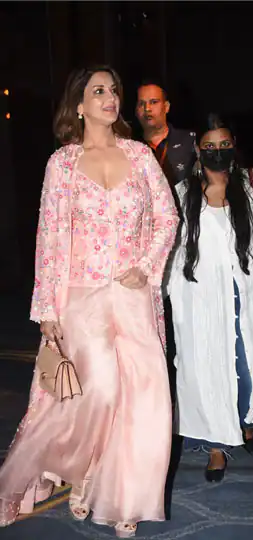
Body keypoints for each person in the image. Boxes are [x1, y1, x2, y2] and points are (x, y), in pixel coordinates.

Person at [0, 66, 178, 538]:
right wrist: (46, 311)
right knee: (98, 391)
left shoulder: (140, 156)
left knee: (145, 397)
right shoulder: (62, 164)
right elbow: (48, 238)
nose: (110, 97)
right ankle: (83, 469)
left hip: (134, 296)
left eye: (113, 90)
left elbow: (168, 218)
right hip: (82, 296)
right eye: (98, 91)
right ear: (78, 106)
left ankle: (124, 495)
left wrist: (146, 266)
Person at [166, 113, 253, 481]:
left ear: (234, 146)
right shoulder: (181, 195)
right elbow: (171, 251)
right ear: (198, 150)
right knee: (208, 372)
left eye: (225, 144)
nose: (218, 151)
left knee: (249, 370)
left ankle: (246, 420)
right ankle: (215, 447)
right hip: (203, 301)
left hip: (249, 295)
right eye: (210, 146)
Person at [135, 78, 196, 186]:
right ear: (136, 110)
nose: (147, 108)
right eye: (141, 104)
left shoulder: (189, 141)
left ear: (166, 107)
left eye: (154, 102)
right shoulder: (129, 148)